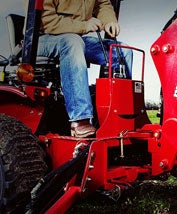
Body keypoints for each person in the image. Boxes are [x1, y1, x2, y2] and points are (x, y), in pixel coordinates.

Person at [24, 0, 133, 138]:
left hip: (75, 37)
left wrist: (109, 21)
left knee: (121, 51)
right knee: (72, 43)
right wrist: (84, 25)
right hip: (40, 38)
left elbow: (102, 4)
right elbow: (47, 21)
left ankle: (119, 116)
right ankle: (80, 119)